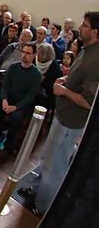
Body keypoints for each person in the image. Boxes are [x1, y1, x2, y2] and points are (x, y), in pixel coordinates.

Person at [19, 13, 99, 216]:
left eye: (85, 25)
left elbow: (88, 102)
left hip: (71, 122)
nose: (80, 28)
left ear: (96, 31)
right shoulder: (86, 49)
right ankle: (35, 189)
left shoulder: (96, 60)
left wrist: (64, 91)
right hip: (62, 115)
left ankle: (44, 206)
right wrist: (65, 80)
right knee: (47, 157)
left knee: (56, 166)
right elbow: (76, 78)